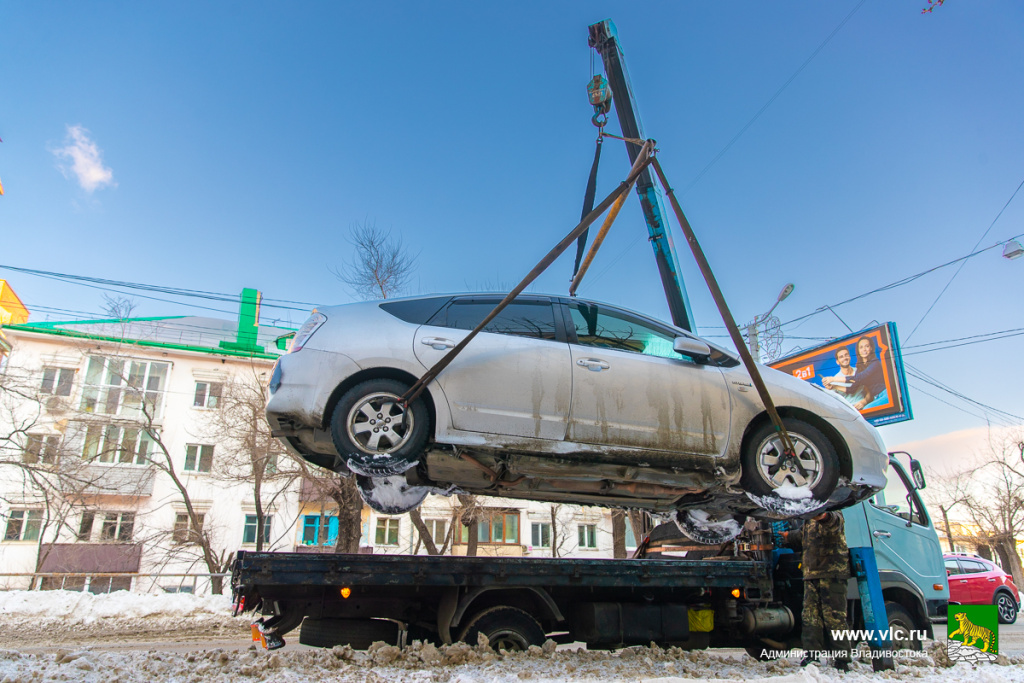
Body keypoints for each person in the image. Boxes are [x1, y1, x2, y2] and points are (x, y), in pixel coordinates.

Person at [800, 511, 852, 671]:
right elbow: (804, 536)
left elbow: (834, 523)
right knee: (810, 617)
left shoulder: (833, 512)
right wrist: (787, 536)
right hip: (812, 574)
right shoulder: (809, 520)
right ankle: (811, 655)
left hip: (832, 573)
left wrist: (824, 516)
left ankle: (842, 659)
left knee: (834, 617)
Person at [847, 337, 886, 410]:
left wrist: (833, 379)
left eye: (867, 346)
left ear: (871, 348)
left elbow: (859, 378)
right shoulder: (859, 368)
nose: (864, 349)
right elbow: (854, 387)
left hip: (884, 394)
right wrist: (833, 386)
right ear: (858, 350)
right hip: (874, 398)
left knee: (867, 409)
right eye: (861, 347)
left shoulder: (875, 362)